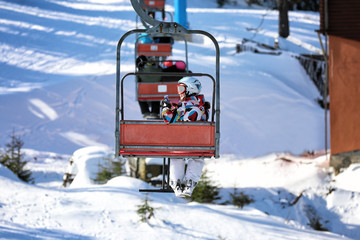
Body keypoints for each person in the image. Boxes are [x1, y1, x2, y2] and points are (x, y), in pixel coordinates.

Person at [161, 77, 210, 197]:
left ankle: (176, 184)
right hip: (198, 143)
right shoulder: (201, 105)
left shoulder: (186, 105)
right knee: (197, 157)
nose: (179, 92)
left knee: (177, 156)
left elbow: (169, 119)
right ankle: (190, 184)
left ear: (190, 89)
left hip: (181, 141)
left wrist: (166, 109)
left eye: (181, 88)